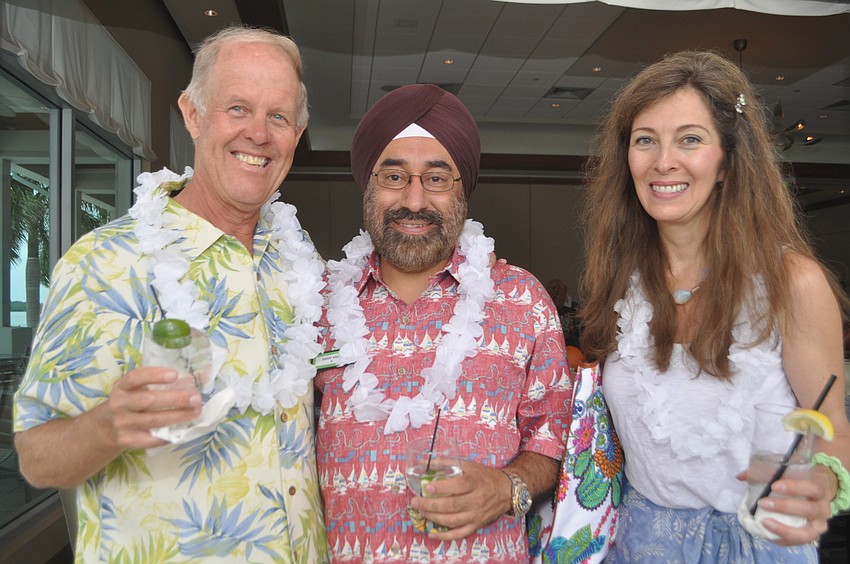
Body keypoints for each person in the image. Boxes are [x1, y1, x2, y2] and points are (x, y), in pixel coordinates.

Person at [13, 26, 329, 562]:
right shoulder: (103, 263)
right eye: (237, 108)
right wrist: (107, 426)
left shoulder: (299, 263)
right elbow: (36, 457)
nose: (258, 133)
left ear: (295, 135)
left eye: (278, 117)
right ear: (193, 114)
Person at [579, 50, 850, 562]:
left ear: (727, 161)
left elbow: (831, 424)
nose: (663, 161)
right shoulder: (619, 284)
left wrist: (825, 484)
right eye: (645, 140)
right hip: (637, 546)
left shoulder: (792, 283)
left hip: (759, 544)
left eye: (690, 139)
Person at [314, 83, 571, 562]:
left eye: (436, 179)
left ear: (462, 190)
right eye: (393, 177)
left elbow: (554, 438)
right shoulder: (317, 304)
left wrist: (508, 486)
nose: (414, 201)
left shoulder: (521, 298)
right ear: (367, 186)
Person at [545, 278, 582, 349]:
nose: (556, 293)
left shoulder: (574, 308)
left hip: (570, 347)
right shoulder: (544, 309)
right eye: (553, 289)